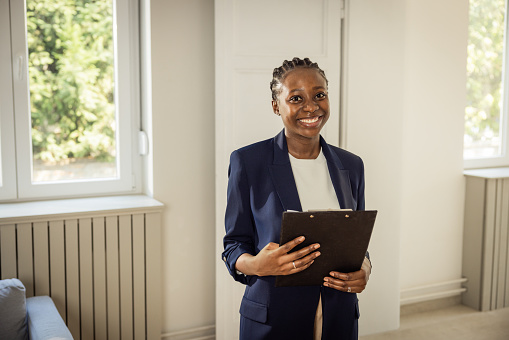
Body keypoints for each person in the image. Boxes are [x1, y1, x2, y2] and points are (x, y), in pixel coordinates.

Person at [222, 57, 372, 340]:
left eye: (319, 95)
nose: (311, 106)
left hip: (338, 314)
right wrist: (256, 265)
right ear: (276, 106)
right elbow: (233, 246)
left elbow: (357, 242)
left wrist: (364, 268)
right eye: (296, 98)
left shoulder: (352, 166)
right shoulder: (248, 162)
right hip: (274, 317)